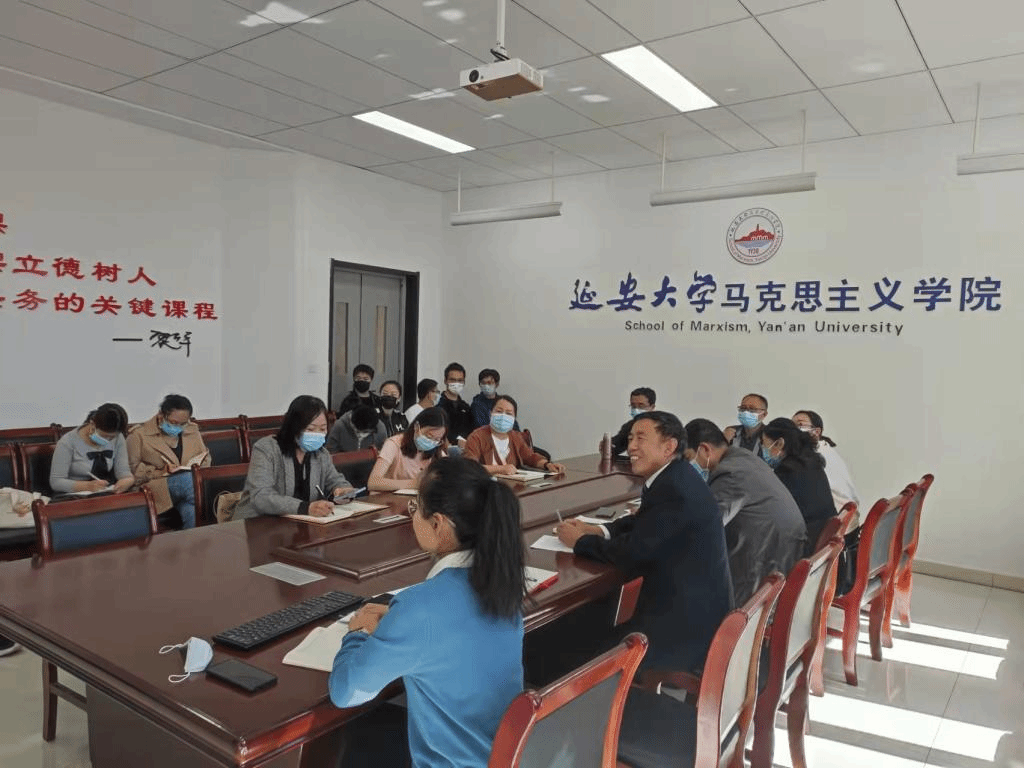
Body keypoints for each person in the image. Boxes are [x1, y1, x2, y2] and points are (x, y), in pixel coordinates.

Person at [329, 458, 525, 768]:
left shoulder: (419, 607)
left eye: (415, 507)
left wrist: (358, 632)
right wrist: (398, 623)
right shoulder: (504, 585)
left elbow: (345, 692)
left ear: (438, 524)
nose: (412, 517)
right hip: (503, 755)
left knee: (351, 742)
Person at [557, 412, 733, 673]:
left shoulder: (674, 489)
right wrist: (598, 530)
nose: (631, 447)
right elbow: (645, 521)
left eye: (641, 438)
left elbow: (633, 552)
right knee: (588, 623)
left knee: (574, 642)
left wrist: (580, 541)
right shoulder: (675, 475)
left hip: (682, 630)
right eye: (630, 438)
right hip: (695, 611)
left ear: (669, 446)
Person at [684, 418, 806, 606]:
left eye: (688, 458)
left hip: (767, 558)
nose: (687, 467)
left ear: (704, 449)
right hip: (780, 547)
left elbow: (707, 525)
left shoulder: (730, 472)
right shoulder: (741, 457)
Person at [235, 396, 353, 519]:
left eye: (323, 429)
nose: (317, 434)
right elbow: (261, 496)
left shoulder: (321, 454)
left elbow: (336, 480)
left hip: (300, 522)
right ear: (294, 426)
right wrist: (305, 508)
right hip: (257, 522)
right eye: (310, 429)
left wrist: (344, 490)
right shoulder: (266, 449)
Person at [126, 394, 211, 529]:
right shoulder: (138, 435)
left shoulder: (192, 430)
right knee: (192, 483)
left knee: (192, 509)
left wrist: (196, 465)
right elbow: (131, 472)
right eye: (174, 423)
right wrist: (162, 471)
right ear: (161, 415)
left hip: (188, 487)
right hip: (155, 487)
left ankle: (193, 541)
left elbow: (205, 457)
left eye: (183, 423)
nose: (178, 427)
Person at [762, 417, 836, 554]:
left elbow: (773, 514)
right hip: (820, 543)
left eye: (764, 444)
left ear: (779, 443)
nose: (763, 450)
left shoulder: (787, 471)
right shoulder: (811, 462)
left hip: (804, 547)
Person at [462, 395, 566, 475]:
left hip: (513, 486)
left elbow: (530, 457)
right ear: (490, 414)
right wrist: (500, 469)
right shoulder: (476, 437)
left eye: (508, 413)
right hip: (485, 486)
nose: (503, 416)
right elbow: (470, 466)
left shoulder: (515, 436)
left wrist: (547, 465)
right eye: (499, 411)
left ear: (514, 418)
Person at [50, 403, 135, 496]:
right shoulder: (67, 442)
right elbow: (56, 482)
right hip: (75, 497)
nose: (108, 440)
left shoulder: (118, 438)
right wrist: (87, 486)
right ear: (92, 424)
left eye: (112, 437)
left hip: (105, 493)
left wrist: (127, 480)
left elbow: (123, 472)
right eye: (105, 436)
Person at [793, 410, 861, 515]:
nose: (793, 429)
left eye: (800, 424)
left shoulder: (816, 454)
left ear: (816, 431)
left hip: (836, 516)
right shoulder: (824, 449)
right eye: (791, 425)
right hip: (844, 514)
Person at [367, 408, 447, 492]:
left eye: (437, 439)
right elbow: (373, 483)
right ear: (416, 427)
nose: (431, 442)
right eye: (429, 436)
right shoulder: (394, 444)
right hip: (385, 498)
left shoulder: (437, 451)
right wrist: (414, 484)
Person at [608, 387, 656, 455]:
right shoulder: (629, 426)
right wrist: (608, 445)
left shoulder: (662, 426)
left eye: (641, 406)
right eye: (633, 406)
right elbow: (617, 444)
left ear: (652, 407)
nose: (636, 410)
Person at [437, 362, 474, 447]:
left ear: (464, 382)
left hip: (465, 450)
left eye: (460, 380)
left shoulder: (466, 407)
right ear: (445, 381)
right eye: (452, 380)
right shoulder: (437, 404)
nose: (456, 384)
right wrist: (455, 443)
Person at [723, 393, 769, 460]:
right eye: (743, 408)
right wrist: (723, 442)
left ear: (764, 414)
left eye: (752, 409)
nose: (746, 412)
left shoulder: (769, 436)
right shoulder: (731, 432)